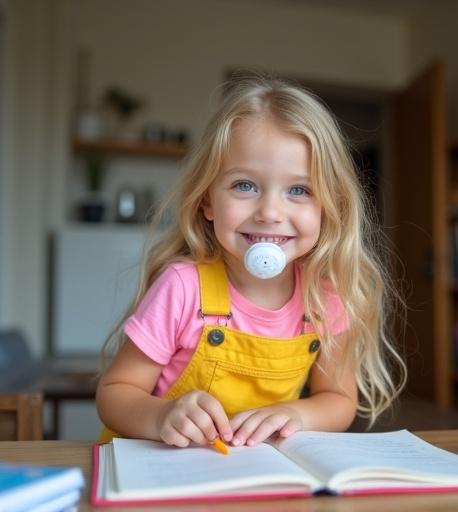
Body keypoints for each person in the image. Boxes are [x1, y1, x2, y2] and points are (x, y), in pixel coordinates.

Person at [96, 76, 406, 448]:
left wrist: (297, 414)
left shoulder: (325, 297)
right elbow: (115, 393)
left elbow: (339, 401)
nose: (270, 212)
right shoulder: (182, 286)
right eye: (245, 186)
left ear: (329, 207)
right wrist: (161, 416)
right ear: (207, 201)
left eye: (298, 190)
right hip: (162, 469)